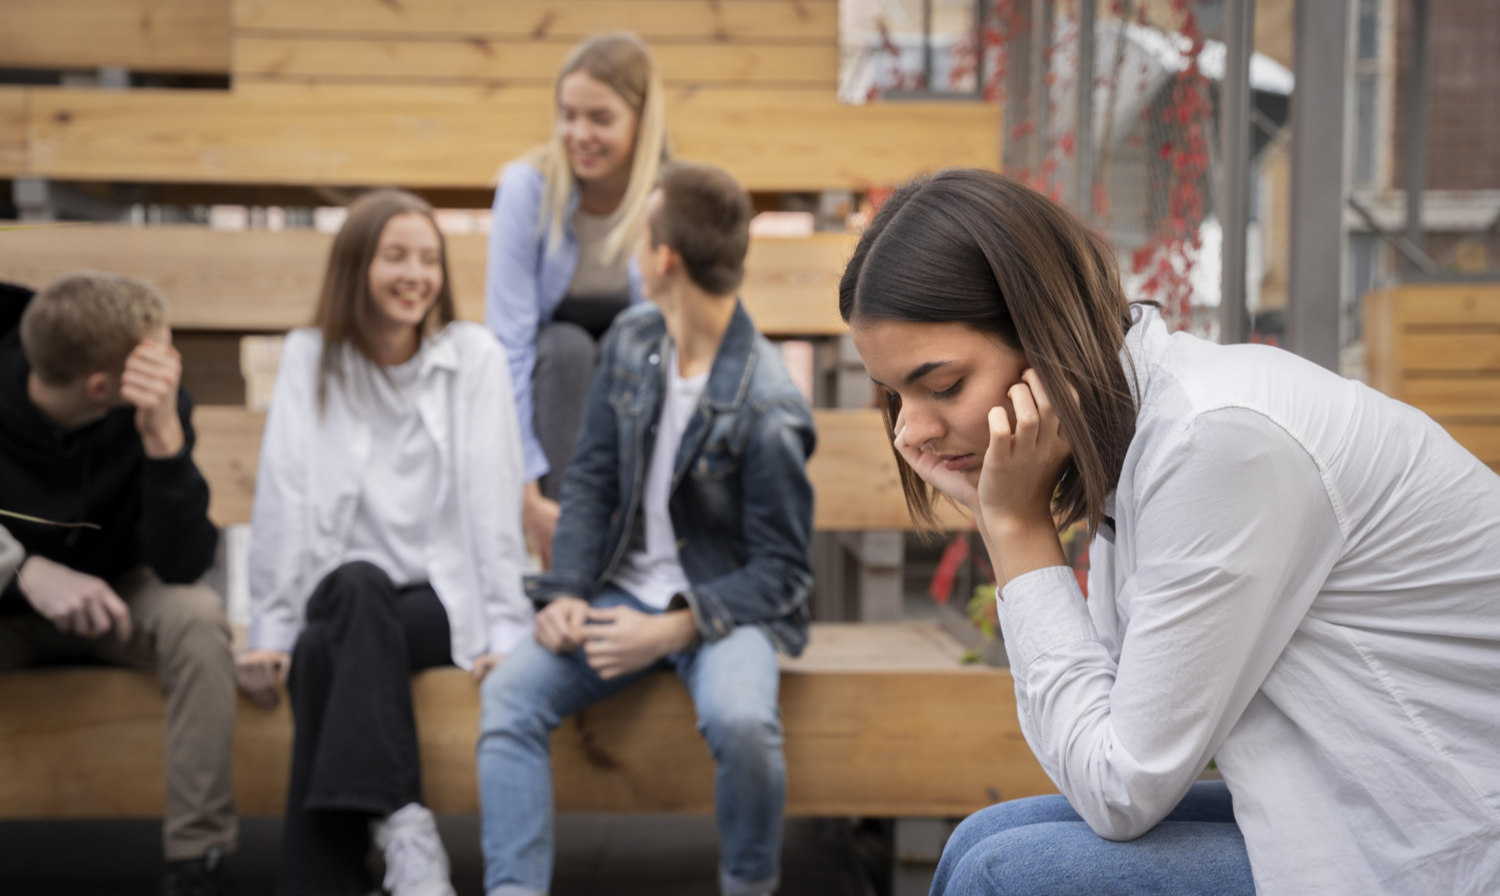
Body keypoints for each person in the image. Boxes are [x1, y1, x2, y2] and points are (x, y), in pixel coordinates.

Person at [839, 168, 1500, 896]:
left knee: (1005, 876)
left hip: (1445, 833)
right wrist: (1009, 518)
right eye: (893, 394)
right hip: (1353, 788)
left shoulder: (1216, 443)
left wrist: (1015, 527)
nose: (912, 431)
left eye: (942, 386)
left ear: (1041, 333)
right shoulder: (1149, 431)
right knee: (984, 839)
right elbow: (1115, 729)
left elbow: (1119, 787)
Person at [476, 162, 815, 896]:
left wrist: (674, 629)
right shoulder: (633, 339)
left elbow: (784, 572)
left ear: (665, 259)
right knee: (508, 697)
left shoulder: (769, 402)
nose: (631, 245)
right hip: (618, 594)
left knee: (744, 723)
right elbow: (592, 479)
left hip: (720, 609)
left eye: (642, 231)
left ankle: (749, 887)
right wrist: (565, 590)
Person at [237, 189, 532, 896]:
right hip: (343, 596)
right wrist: (270, 628)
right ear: (355, 266)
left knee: (325, 647)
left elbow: (494, 495)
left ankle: (335, 872)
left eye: (429, 259)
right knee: (340, 606)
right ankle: (405, 828)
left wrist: (503, 627)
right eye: (395, 256)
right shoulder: (311, 358)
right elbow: (282, 493)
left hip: (440, 605)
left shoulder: (474, 356)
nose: (415, 274)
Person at [0, 274, 236, 895]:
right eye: (158, 355)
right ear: (101, 385)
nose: (172, 366)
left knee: (196, 614)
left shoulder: (158, 404)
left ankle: (198, 862)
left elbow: (184, 563)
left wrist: (163, 441)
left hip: (120, 597)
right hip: (8, 612)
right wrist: (21, 568)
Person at [485, 31, 672, 568]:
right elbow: (509, 346)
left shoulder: (668, 197)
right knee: (565, 347)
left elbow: (682, 341)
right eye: (568, 115)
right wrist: (526, 494)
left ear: (641, 119)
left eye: (600, 119)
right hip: (553, 382)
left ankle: (633, 537)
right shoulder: (526, 189)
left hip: (632, 381)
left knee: (630, 343)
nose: (578, 134)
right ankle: (568, 548)